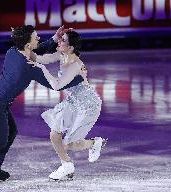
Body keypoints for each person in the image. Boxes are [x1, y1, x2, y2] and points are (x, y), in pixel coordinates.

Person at [0, 25, 86, 182]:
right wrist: (80, 77)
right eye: (35, 37)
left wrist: (53, 39)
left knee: (10, 133)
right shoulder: (30, 68)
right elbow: (56, 85)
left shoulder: (13, 51)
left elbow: (35, 51)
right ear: (27, 44)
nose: (39, 38)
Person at [28, 30, 107, 181]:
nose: (59, 41)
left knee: (69, 144)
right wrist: (23, 49)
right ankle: (67, 166)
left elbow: (57, 86)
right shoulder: (61, 55)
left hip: (87, 105)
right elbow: (39, 57)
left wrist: (41, 68)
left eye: (62, 40)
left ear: (70, 47)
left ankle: (94, 143)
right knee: (55, 135)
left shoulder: (75, 65)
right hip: (73, 102)